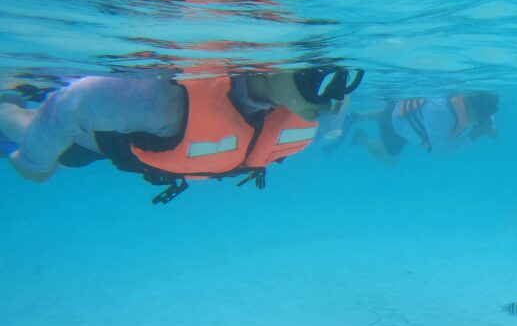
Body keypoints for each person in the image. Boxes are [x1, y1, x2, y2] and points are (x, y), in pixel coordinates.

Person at [0, 66, 362, 203]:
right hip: (97, 137)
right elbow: (73, 105)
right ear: (268, 67)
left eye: (343, 77)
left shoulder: (304, 108)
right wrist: (33, 161)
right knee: (57, 149)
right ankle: (8, 102)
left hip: (166, 152)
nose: (333, 95)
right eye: (317, 80)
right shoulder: (162, 100)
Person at [342, 91, 499, 165]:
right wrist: (473, 136)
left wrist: (490, 123)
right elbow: (440, 150)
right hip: (396, 126)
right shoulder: (442, 112)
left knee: (394, 112)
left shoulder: (470, 101)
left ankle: (359, 116)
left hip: (402, 110)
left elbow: (485, 107)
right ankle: (360, 137)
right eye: (481, 117)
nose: (479, 121)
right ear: (470, 107)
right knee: (389, 160)